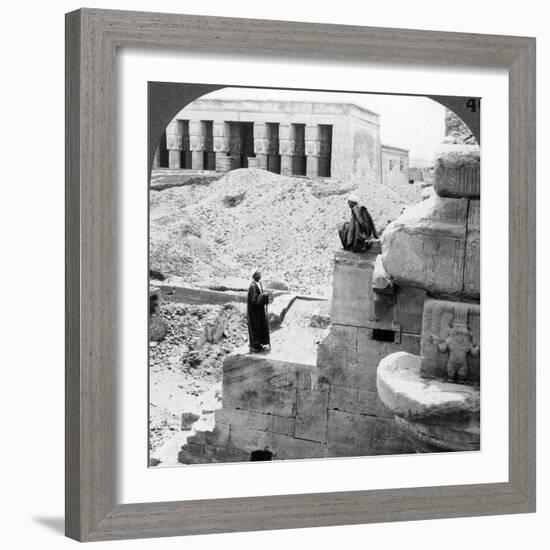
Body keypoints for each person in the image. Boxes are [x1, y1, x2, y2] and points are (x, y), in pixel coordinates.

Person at [247, 270, 270, 353]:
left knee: (261, 325)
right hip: (254, 311)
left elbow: (259, 297)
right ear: (254, 275)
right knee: (255, 327)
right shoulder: (252, 286)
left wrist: (264, 298)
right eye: (258, 274)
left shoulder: (259, 284)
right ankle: (254, 346)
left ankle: (260, 343)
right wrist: (263, 296)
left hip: (259, 310)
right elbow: (254, 300)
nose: (260, 275)